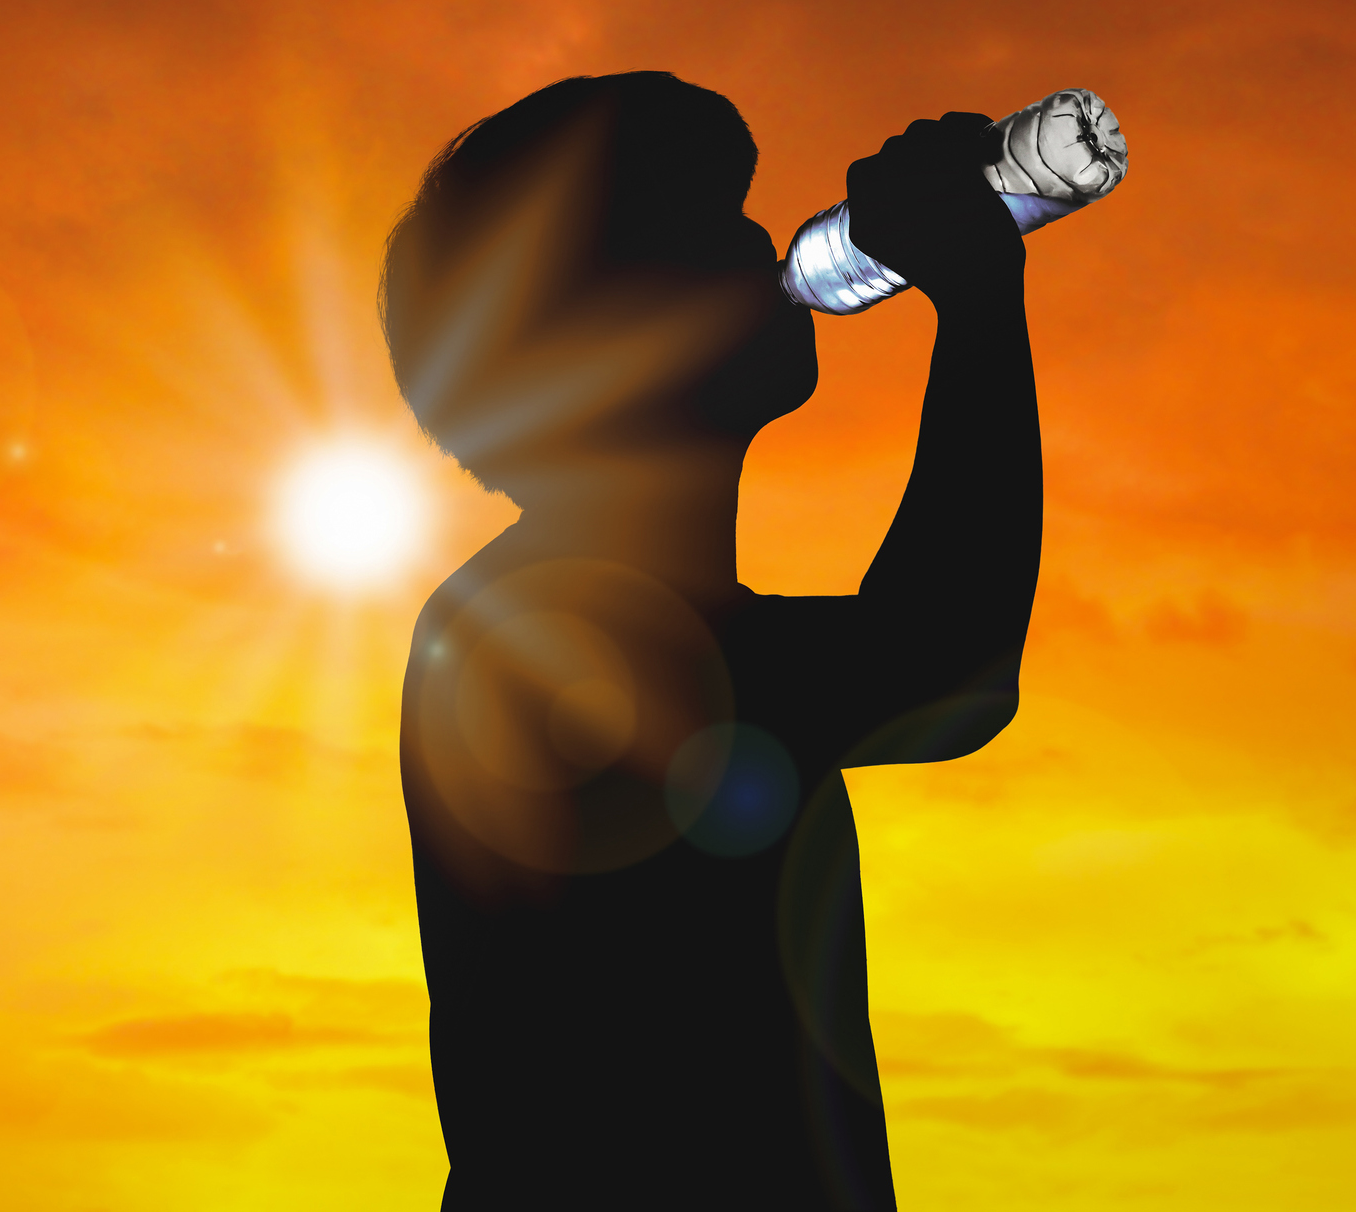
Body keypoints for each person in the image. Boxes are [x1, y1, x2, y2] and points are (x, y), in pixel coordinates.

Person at [383, 71, 1041, 1209]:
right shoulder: (536, 636)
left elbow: (937, 666)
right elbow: (945, 666)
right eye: (704, 224)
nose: (759, 245)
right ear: (594, 324)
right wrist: (978, 292)